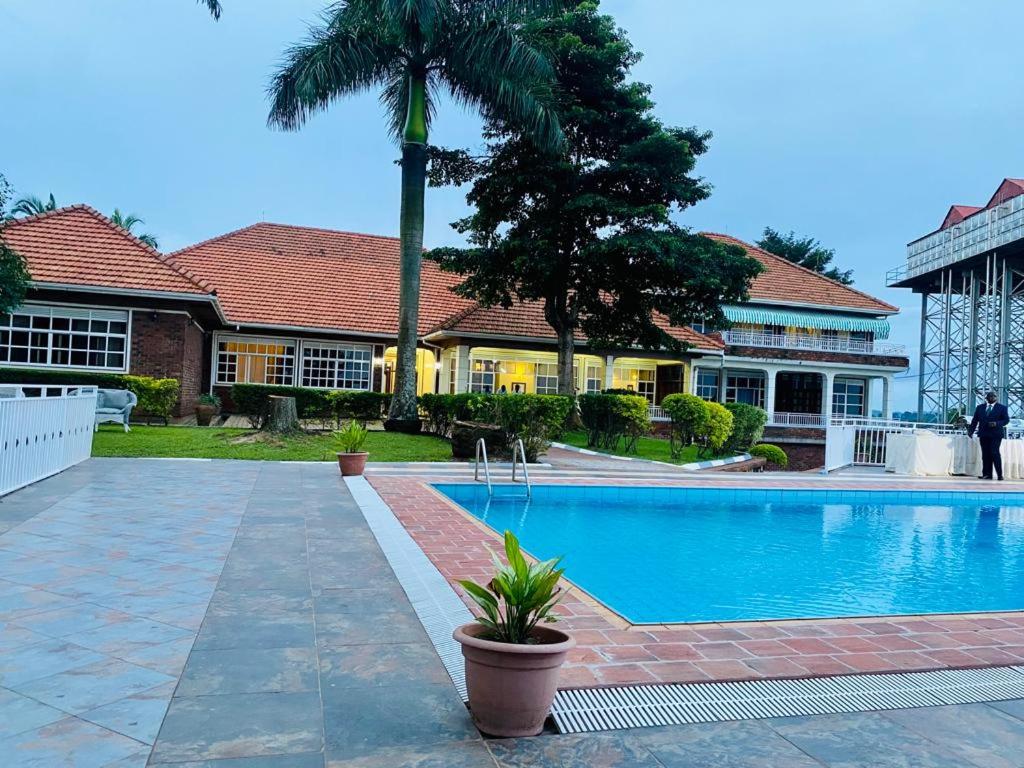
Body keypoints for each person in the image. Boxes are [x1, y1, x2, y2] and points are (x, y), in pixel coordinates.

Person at [968, 391, 1010, 480]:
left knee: (994, 452)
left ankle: (999, 475)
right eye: (990, 396)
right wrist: (970, 431)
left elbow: (1006, 420)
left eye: (994, 396)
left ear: (996, 398)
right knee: (985, 454)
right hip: (984, 434)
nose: (992, 397)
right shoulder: (980, 408)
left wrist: (996, 423)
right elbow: (975, 420)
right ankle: (987, 474)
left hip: (996, 434)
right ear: (986, 398)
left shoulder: (1002, 408)